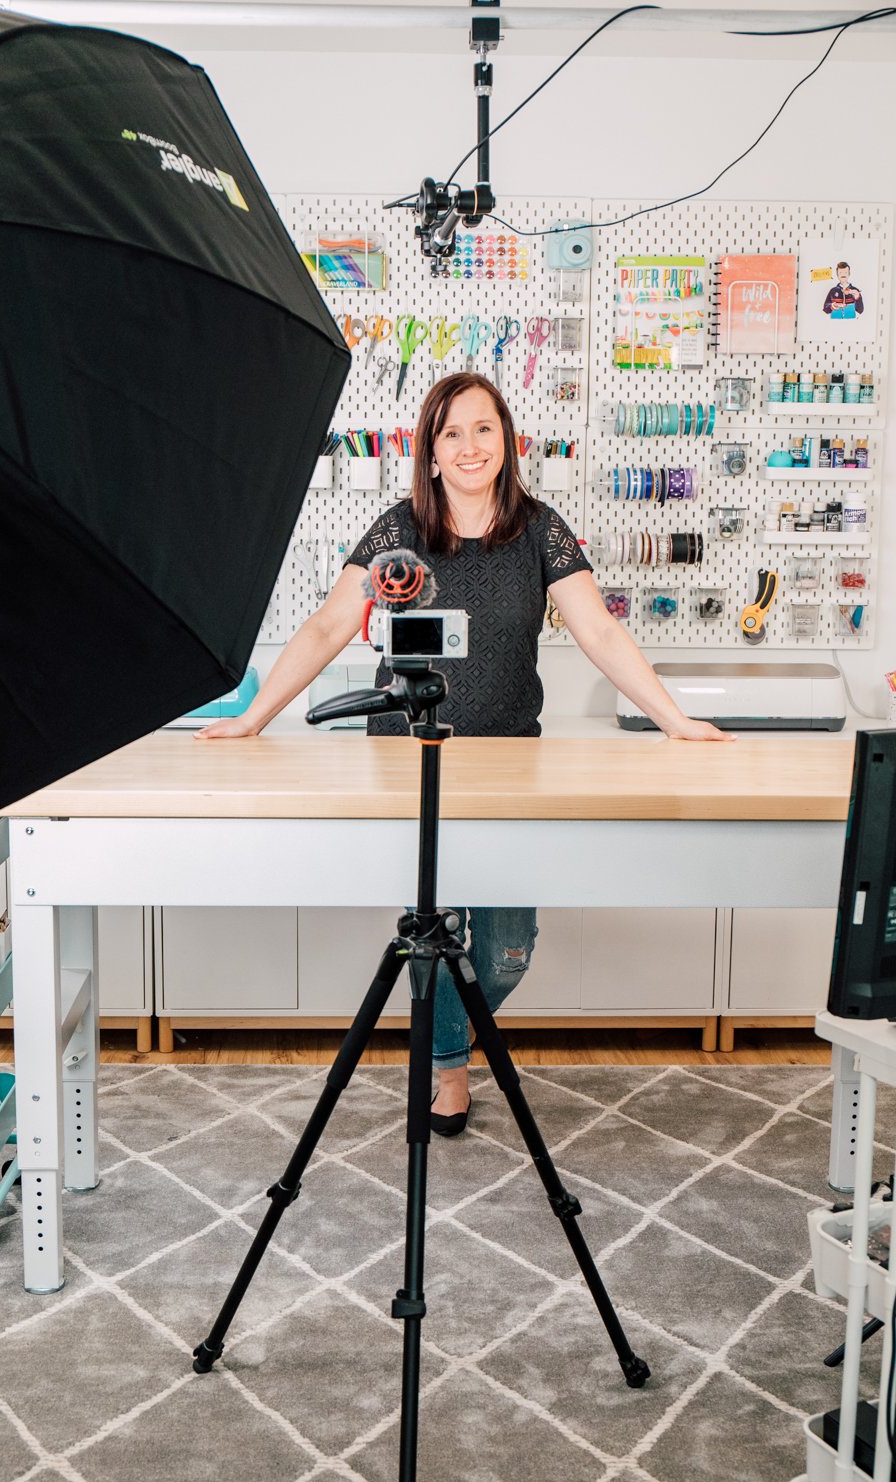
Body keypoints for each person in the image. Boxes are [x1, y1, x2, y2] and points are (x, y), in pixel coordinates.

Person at [197, 372, 733, 1135]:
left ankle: (438, 1046)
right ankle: (448, 1074)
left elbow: (602, 632)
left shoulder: (541, 530)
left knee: (508, 949)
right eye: (452, 433)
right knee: (429, 934)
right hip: (409, 760)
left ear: (508, 443)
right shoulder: (397, 530)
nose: (470, 446)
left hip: (509, 764)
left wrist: (676, 722)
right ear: (431, 451)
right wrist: (252, 719)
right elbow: (323, 628)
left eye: (484, 429)